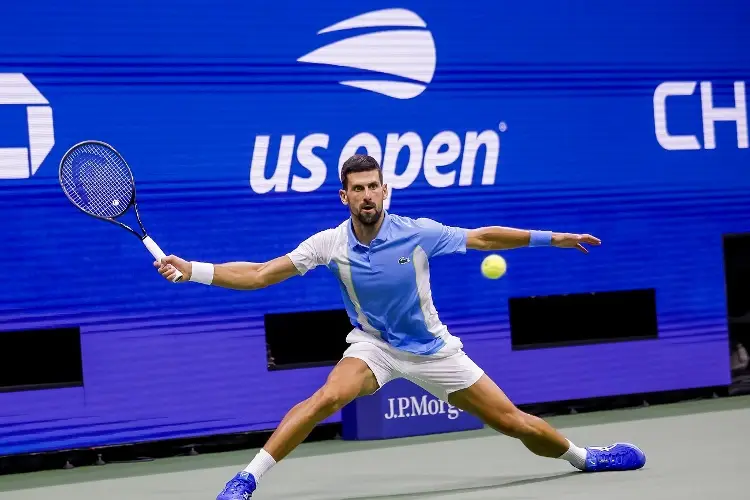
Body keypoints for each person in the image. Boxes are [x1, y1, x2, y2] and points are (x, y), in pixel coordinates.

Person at [155, 154, 646, 499]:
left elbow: (481, 237)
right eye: (358, 189)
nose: (368, 195)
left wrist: (551, 238)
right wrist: (193, 269)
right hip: (373, 347)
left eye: (375, 187)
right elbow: (261, 274)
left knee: (512, 422)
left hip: (434, 350)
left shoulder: (416, 233)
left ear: (385, 191)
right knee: (325, 398)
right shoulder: (329, 243)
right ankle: (247, 479)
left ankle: (586, 458)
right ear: (343, 196)